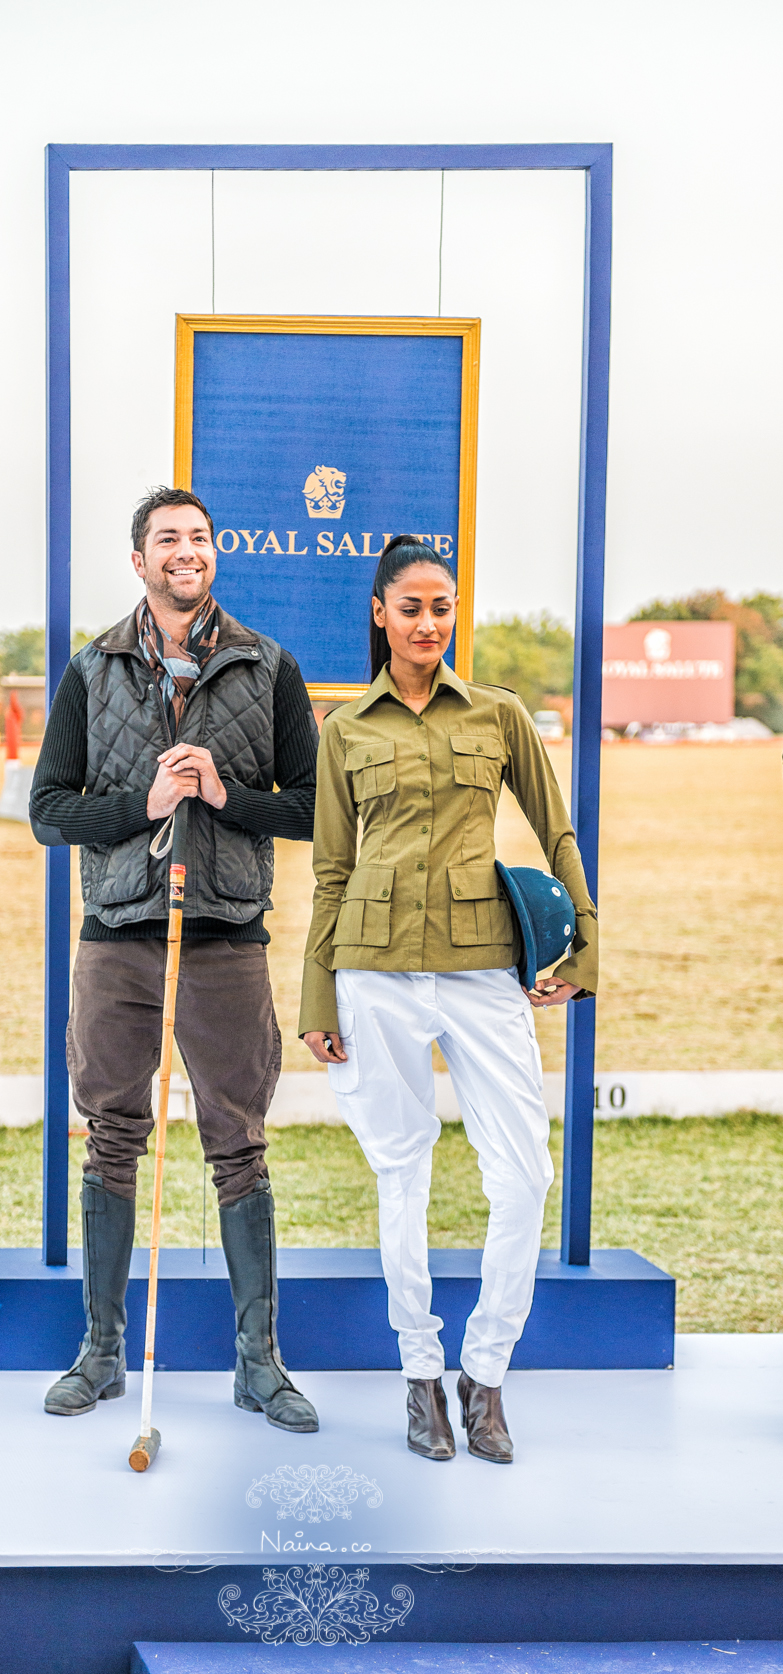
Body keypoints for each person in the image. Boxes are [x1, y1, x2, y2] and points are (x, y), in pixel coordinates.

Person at [300, 536, 598, 1463]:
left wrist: (585, 940)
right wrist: (317, 992)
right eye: (411, 607)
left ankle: (487, 1375)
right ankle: (420, 1375)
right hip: (373, 968)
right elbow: (331, 870)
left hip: (480, 966)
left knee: (526, 1174)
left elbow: (556, 827)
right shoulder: (347, 730)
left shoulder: (499, 715)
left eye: (443, 606)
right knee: (404, 1169)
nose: (429, 622)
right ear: (380, 615)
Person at [30, 486, 320, 1434]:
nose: (184, 551)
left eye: (197, 538)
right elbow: (48, 810)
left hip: (225, 931)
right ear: (139, 560)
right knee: (111, 1134)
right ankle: (101, 1353)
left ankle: (259, 1363)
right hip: (118, 931)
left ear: (212, 554)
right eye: (167, 540)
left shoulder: (267, 665)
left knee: (238, 1144)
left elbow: (315, 807)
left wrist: (229, 795)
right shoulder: (90, 668)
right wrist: (141, 807)